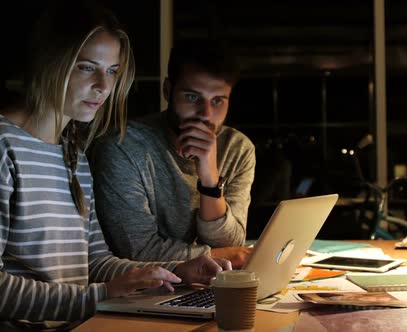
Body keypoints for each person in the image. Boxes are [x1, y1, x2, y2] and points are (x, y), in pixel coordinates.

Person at [0, 2, 229, 328]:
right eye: (86, 67)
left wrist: (177, 271)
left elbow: (94, 261)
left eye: (111, 71)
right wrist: (100, 296)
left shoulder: (73, 153)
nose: (104, 87)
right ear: (50, 62)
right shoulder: (5, 146)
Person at [90, 41, 255, 267]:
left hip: (209, 285)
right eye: (192, 97)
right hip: (145, 290)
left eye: (217, 101)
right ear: (168, 90)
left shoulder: (237, 148)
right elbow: (137, 250)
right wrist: (221, 255)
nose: (205, 114)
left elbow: (231, 241)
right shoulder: (123, 146)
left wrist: (210, 180)